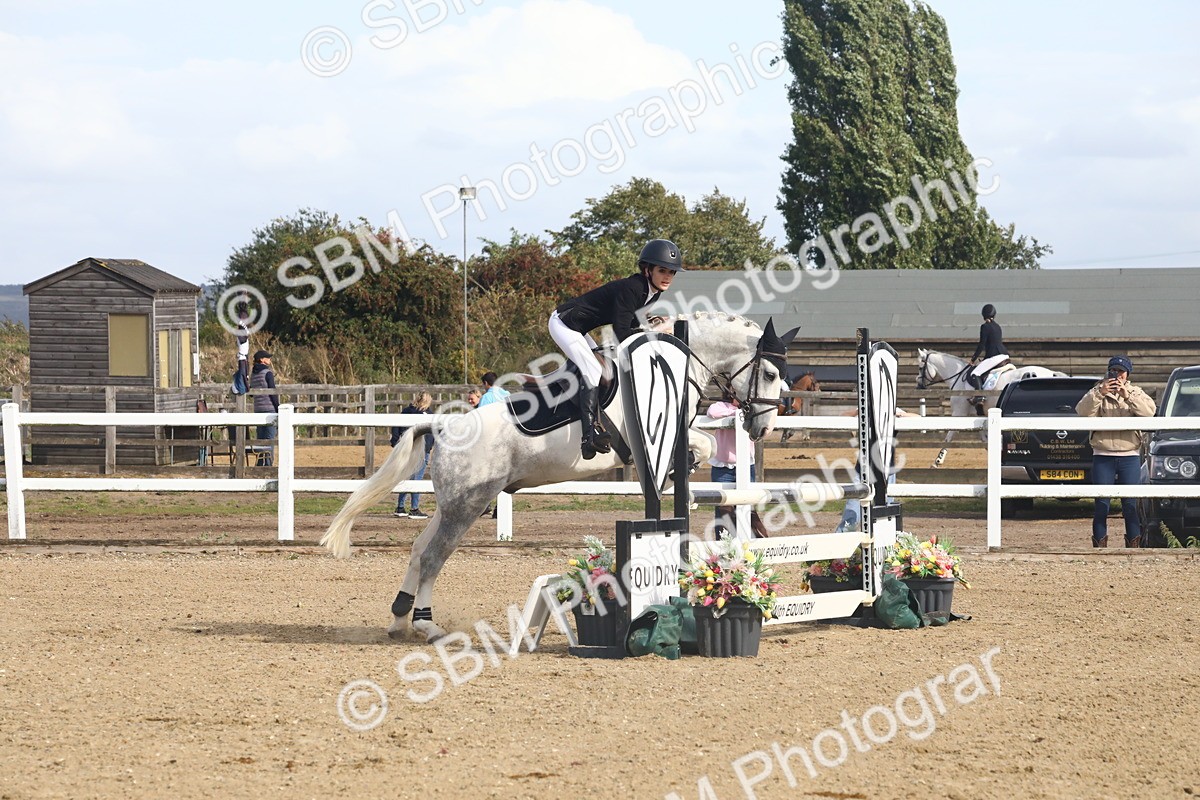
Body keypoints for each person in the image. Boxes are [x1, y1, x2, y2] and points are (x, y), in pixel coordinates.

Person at [549, 238, 683, 459]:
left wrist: (652, 327)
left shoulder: (653, 292)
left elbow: (632, 325)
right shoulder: (633, 287)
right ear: (647, 270)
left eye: (672, 272)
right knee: (592, 370)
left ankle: (587, 416)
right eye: (663, 270)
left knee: (603, 370)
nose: (668, 276)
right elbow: (622, 333)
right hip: (564, 323)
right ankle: (588, 436)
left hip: (580, 329)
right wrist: (654, 334)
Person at [1075, 355, 1156, 547]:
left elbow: (1149, 412)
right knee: (1102, 504)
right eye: (1114, 370)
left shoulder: (1136, 392)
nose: (1117, 375)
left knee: (1130, 504)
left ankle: (1133, 545)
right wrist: (1100, 393)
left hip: (1129, 455)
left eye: (1121, 371)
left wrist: (1127, 395)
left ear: (1128, 374)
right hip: (1103, 454)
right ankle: (1100, 546)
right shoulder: (1097, 390)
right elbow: (1082, 412)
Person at [706, 391, 768, 539]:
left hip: (746, 465)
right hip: (723, 467)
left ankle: (755, 541)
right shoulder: (721, 406)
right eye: (735, 392)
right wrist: (735, 412)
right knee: (723, 508)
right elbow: (711, 411)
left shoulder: (752, 408)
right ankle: (722, 545)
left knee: (748, 506)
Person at [392, 392, 435, 520]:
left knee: (406, 476)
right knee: (417, 479)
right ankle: (414, 508)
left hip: (405, 449)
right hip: (421, 450)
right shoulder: (428, 415)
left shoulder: (406, 411)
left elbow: (396, 429)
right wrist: (430, 446)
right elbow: (432, 434)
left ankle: (400, 506)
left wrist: (395, 443)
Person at [249, 350, 279, 466]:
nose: (269, 359)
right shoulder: (267, 373)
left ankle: (260, 464)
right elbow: (273, 392)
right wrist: (278, 408)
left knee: (260, 440)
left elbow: (251, 393)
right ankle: (268, 465)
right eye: (267, 358)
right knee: (269, 439)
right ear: (262, 360)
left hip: (258, 409)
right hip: (269, 409)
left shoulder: (254, 374)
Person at [234, 305, 251, 386]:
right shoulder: (241, 335)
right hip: (242, 359)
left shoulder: (242, 334)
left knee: (245, 375)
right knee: (243, 376)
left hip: (244, 358)